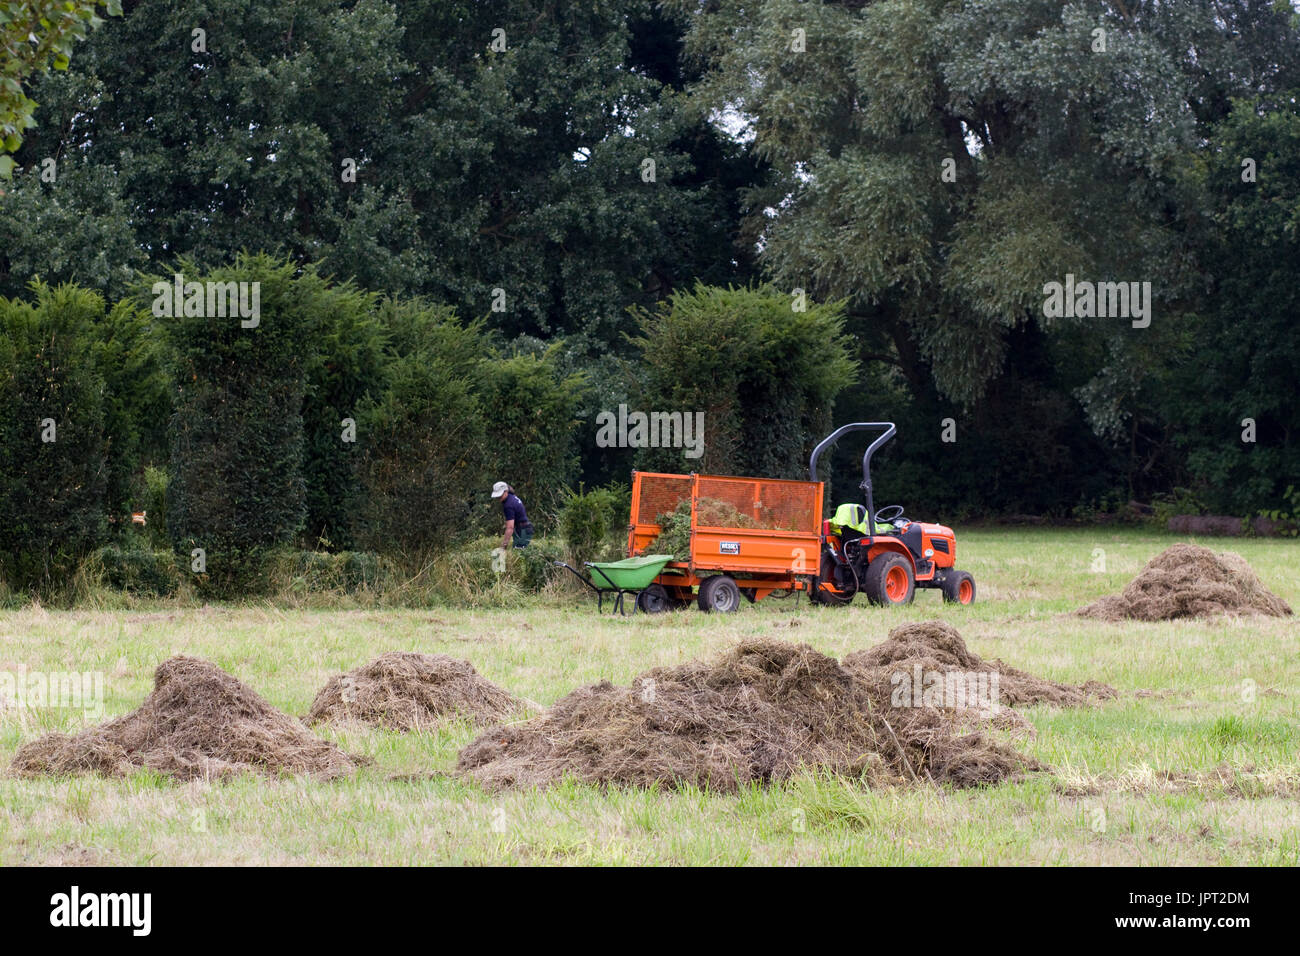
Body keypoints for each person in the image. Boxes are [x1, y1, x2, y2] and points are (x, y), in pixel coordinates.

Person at [492, 481, 533, 549]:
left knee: (519, 554)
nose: (498, 497)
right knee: (520, 554)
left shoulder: (508, 505)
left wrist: (504, 545)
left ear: (505, 491)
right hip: (523, 528)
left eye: (500, 495)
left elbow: (510, 527)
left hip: (522, 531)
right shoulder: (511, 496)